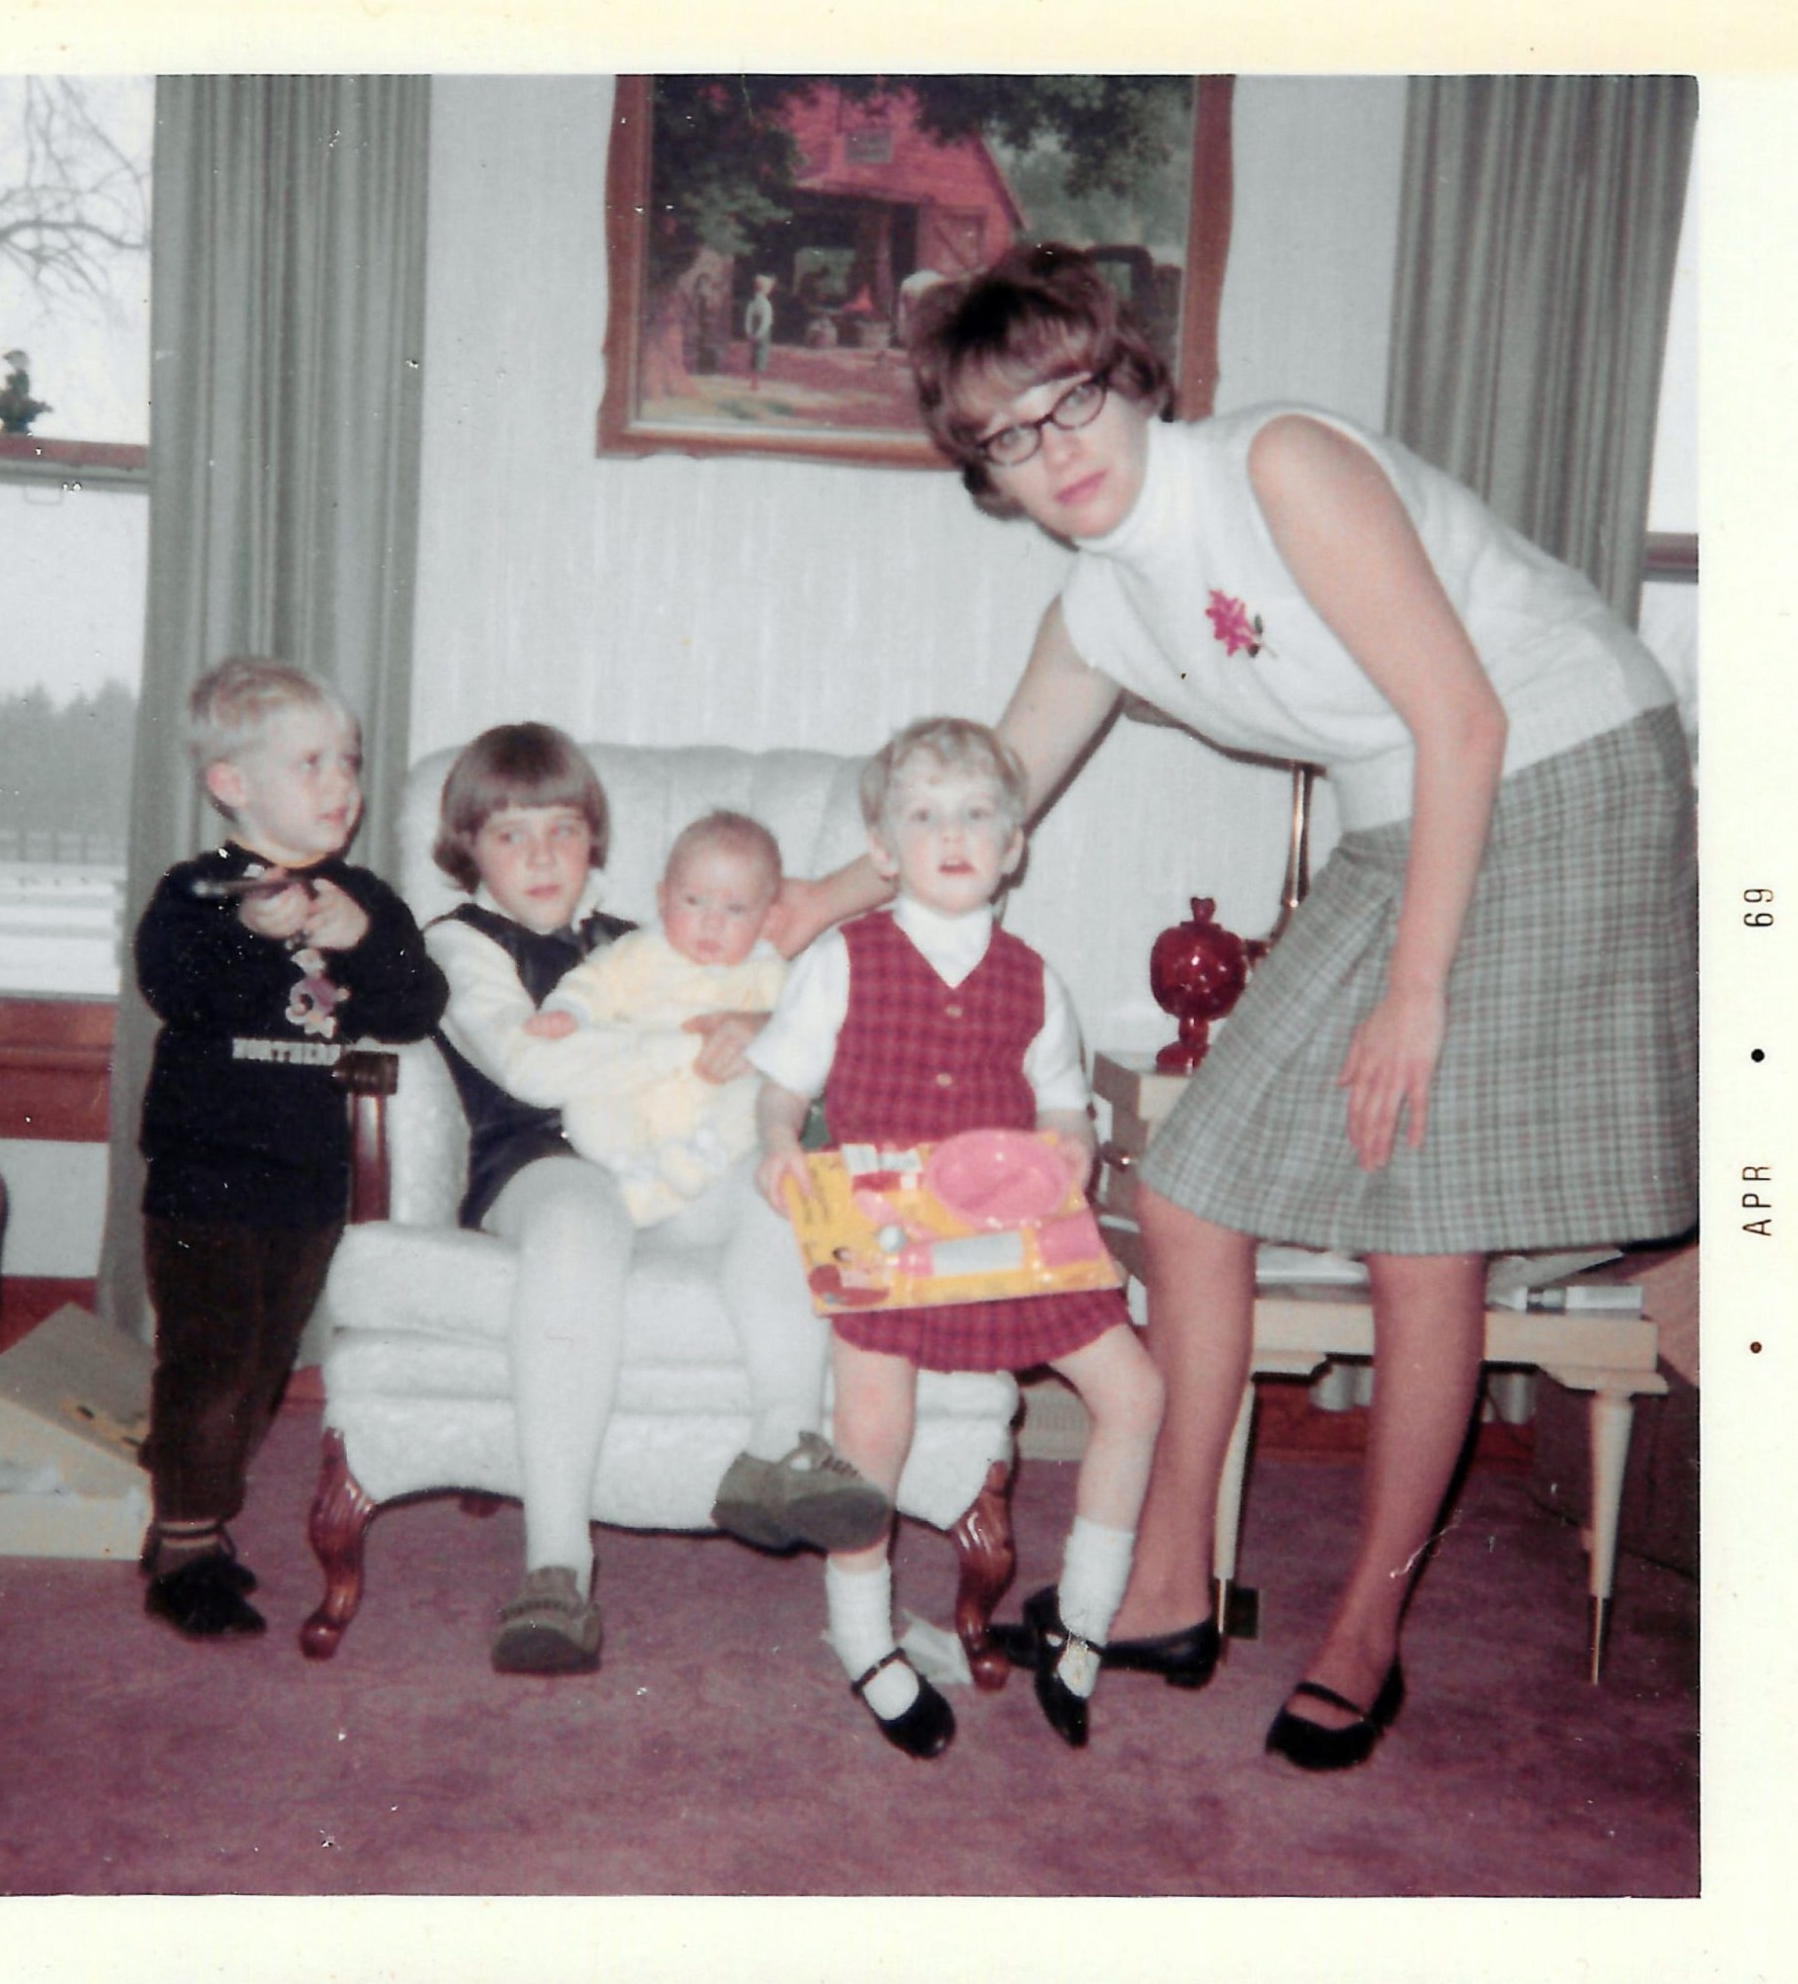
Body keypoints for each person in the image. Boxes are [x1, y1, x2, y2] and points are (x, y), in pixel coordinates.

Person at [775, 243, 1696, 1772]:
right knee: (1190, 1190)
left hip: (1558, 765)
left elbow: (1464, 715)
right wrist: (811, 903)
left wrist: (1413, 993)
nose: (1050, 452)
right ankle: (1165, 1575)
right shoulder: (1100, 615)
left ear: (1129, 375)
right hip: (1404, 814)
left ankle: (1366, 1629)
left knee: (1420, 1210)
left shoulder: (1277, 465)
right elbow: (983, 793)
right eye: (1003, 437)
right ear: (983, 474)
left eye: (1066, 402)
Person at [422, 725, 890, 1676]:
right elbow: (531, 1061)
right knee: (578, 1223)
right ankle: (556, 1563)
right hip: (537, 1165)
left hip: (673, 1160)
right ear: (468, 845)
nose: (544, 855)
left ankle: (782, 1442)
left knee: (783, 1185)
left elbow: (773, 1014)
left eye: (564, 829)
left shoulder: (648, 938)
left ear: (596, 839)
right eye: (512, 835)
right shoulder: (457, 943)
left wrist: (760, 1023)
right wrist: (701, 1037)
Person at [751, 718, 1165, 1759]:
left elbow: (1065, 1110)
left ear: (1011, 842)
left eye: (975, 813)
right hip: (885, 1234)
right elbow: (781, 1084)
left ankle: (1083, 1614)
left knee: (1136, 1391)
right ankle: (860, 1636)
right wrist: (773, 1145)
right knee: (872, 1426)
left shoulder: (1033, 976)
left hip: (1003, 1229)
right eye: (923, 815)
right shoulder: (843, 958)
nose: (951, 833)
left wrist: (1068, 1152)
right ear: (883, 848)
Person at [135, 659, 447, 1639]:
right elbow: (176, 988)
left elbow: (414, 1006)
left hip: (308, 1175)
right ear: (232, 782)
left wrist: (360, 938)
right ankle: (184, 1542)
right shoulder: (194, 892)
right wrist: (246, 931)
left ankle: (200, 1514)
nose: (339, 783)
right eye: (308, 762)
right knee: (208, 1362)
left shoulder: (361, 894)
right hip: (203, 1170)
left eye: (346, 761)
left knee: (267, 1359)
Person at [525, 810, 787, 1227]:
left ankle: (705, 1157)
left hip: (714, 1091)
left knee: (758, 1098)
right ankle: (633, 1169)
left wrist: (765, 1025)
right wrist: (567, 1012)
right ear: (663, 899)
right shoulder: (640, 951)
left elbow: (797, 1028)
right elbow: (594, 983)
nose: (712, 922)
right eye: (694, 901)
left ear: (768, 919)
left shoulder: (768, 969)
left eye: (735, 909)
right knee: (587, 1101)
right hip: (638, 1082)